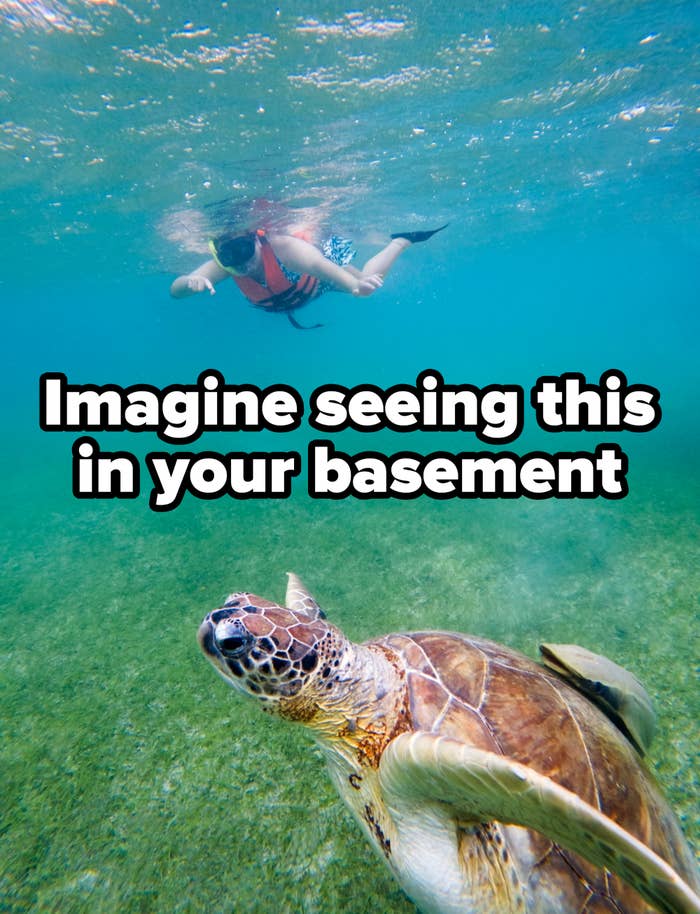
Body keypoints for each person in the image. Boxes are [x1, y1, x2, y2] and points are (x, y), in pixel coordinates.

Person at [170, 224, 447, 329]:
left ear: (256, 238)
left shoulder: (285, 248)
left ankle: (400, 242)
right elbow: (176, 291)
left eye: (244, 250)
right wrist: (188, 284)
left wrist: (355, 285)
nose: (241, 263)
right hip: (301, 291)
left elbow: (317, 264)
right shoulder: (225, 266)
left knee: (365, 287)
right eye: (229, 257)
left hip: (320, 259)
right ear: (219, 256)